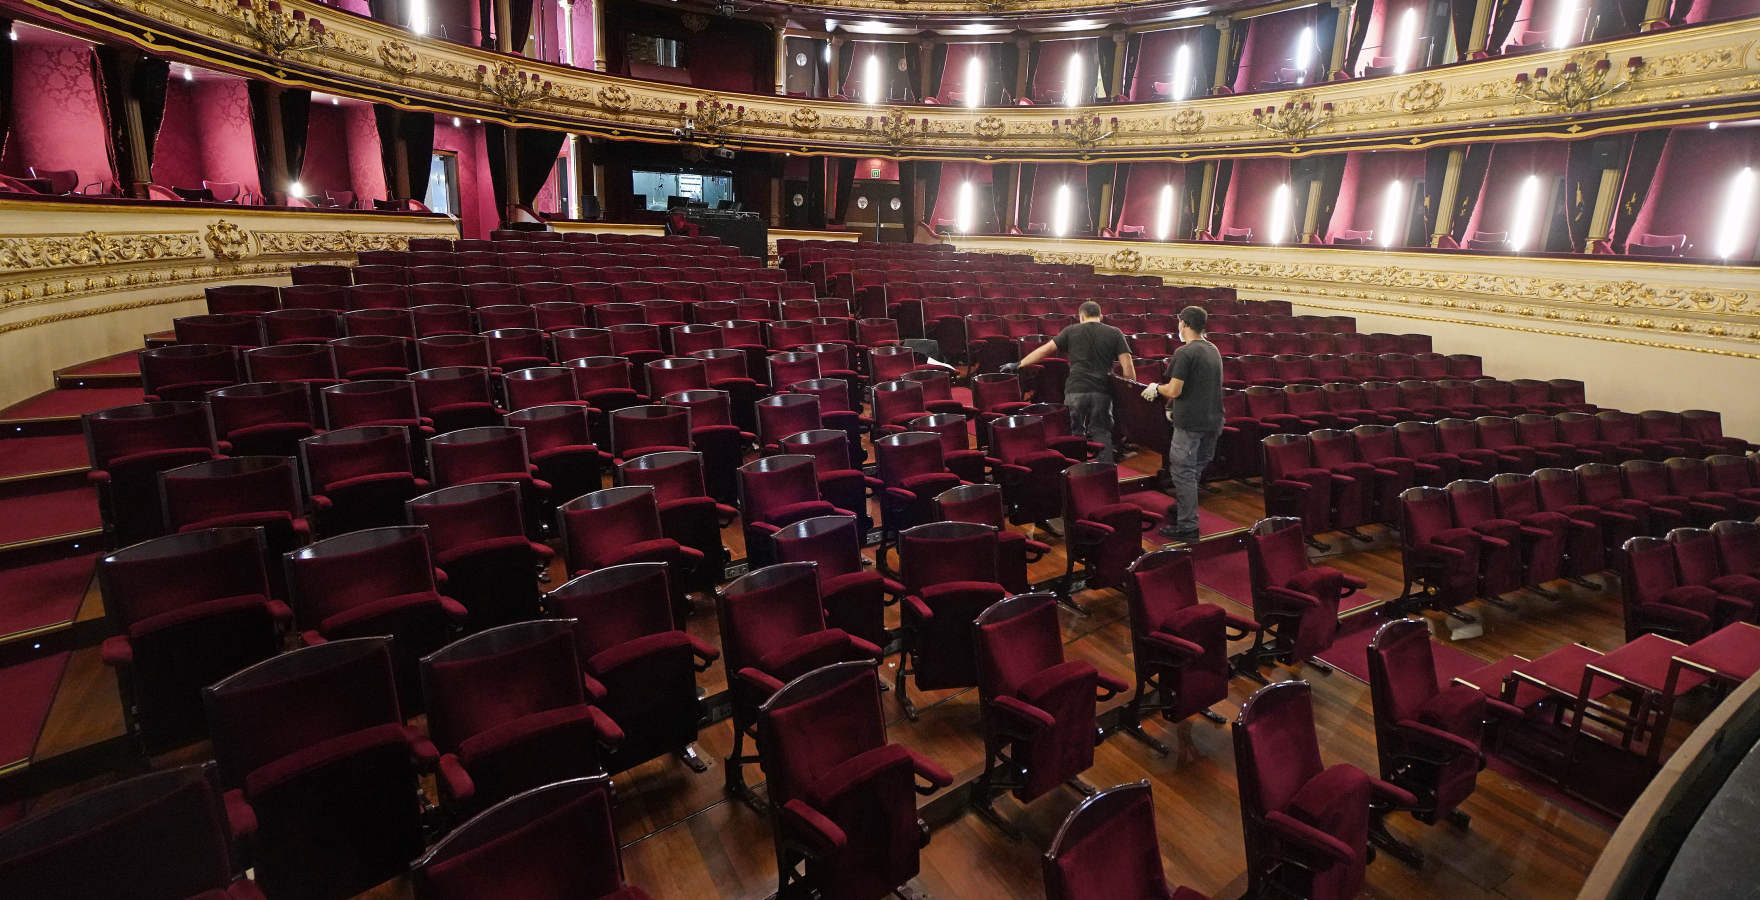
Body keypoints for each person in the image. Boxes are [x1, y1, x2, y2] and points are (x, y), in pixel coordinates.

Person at [1008, 301, 1134, 464]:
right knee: (1101, 431)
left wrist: (1019, 364)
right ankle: (1105, 474)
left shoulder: (1071, 331)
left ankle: (1077, 472)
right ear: (1101, 316)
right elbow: (1127, 364)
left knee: (1075, 432)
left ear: (1081, 316)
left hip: (1075, 388)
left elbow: (1045, 350)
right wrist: (1129, 390)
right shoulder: (1115, 332)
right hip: (1102, 391)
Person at [1140, 306, 1223, 543]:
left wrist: (1156, 388)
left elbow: (1175, 390)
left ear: (1183, 323)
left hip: (1191, 423)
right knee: (1194, 470)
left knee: (1183, 472)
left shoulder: (1185, 353)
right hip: (1213, 420)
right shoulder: (1213, 349)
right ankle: (1182, 507)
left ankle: (1187, 525)